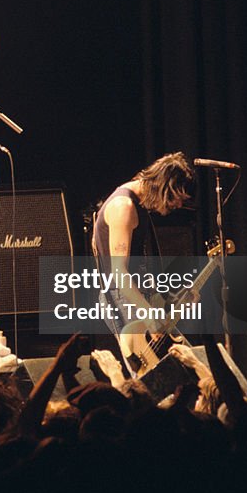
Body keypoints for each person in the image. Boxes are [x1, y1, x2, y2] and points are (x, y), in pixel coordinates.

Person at [91, 153, 194, 369]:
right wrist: (149, 316)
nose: (176, 206)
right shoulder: (124, 207)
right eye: (178, 199)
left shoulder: (135, 202)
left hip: (136, 293)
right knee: (150, 375)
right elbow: (119, 273)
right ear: (168, 188)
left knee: (175, 367)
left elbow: (95, 243)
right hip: (122, 296)